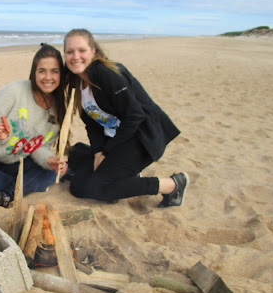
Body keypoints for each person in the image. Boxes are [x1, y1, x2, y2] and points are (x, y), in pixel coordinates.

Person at [62, 28, 188, 207]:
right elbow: (92, 125)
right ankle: (125, 175)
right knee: (77, 179)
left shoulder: (105, 73)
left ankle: (172, 185)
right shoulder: (78, 83)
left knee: (91, 187)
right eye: (70, 52)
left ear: (93, 51)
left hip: (141, 138)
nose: (76, 56)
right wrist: (98, 152)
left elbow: (135, 116)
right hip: (116, 139)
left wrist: (106, 152)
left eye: (82, 50)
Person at [0, 44, 68, 211]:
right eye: (42, 71)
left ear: (61, 74)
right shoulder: (14, 91)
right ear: (34, 72)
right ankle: (26, 185)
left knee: (53, 171)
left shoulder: (58, 109)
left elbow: (38, 147)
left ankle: (7, 194)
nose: (48, 77)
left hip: (15, 161)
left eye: (54, 71)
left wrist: (48, 160)